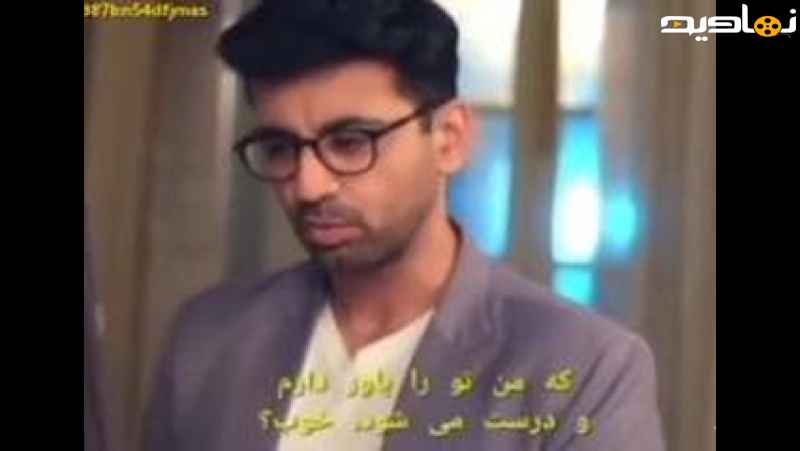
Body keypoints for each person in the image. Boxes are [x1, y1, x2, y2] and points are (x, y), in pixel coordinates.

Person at [145, 1, 665, 450]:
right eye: (281, 148)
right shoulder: (207, 339)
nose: (308, 186)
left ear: (449, 139)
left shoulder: (585, 368)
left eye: (350, 142)